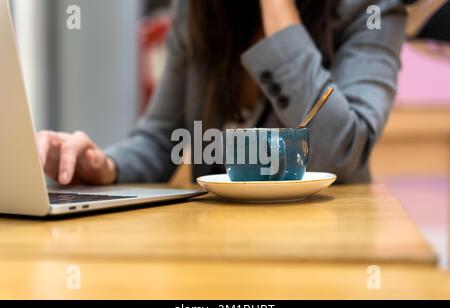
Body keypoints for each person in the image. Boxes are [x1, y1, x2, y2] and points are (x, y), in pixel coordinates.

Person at [36, 0, 408, 185]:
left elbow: (340, 153)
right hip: (214, 247)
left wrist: (276, 7)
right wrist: (104, 167)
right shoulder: (200, 8)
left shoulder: (372, 9)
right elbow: (161, 140)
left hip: (328, 247)